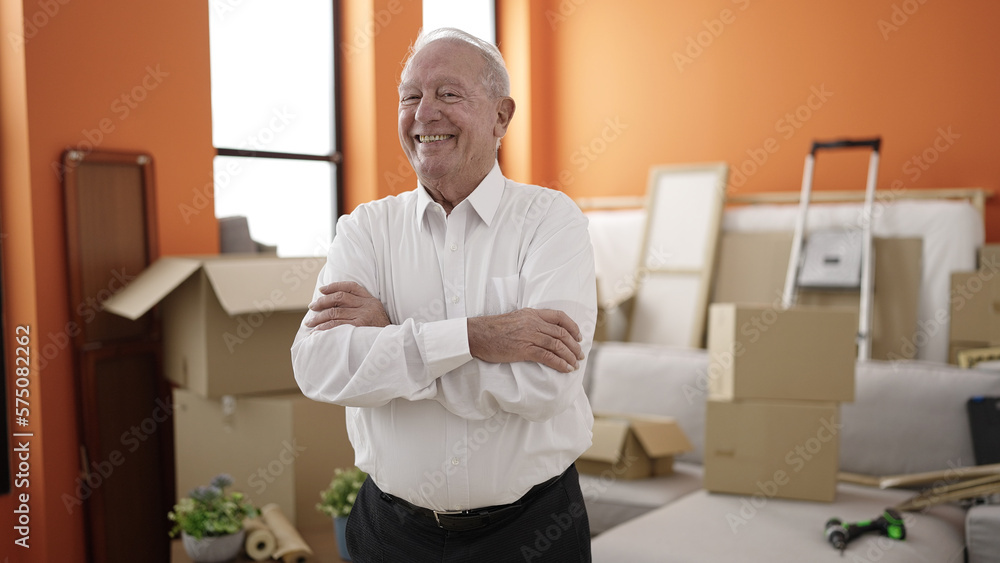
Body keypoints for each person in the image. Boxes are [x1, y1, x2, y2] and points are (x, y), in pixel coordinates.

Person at [291, 26, 596, 562]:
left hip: (531, 530)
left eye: (448, 94)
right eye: (410, 96)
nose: (424, 113)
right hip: (390, 534)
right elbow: (319, 366)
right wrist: (476, 337)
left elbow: (545, 386)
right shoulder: (365, 230)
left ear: (501, 116)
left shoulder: (550, 220)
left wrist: (390, 342)